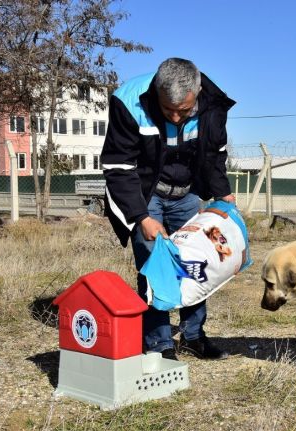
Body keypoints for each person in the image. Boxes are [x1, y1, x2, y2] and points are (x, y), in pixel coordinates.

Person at [100, 58, 236, 361]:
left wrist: (222, 192)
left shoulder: (213, 104)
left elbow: (215, 155)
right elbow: (118, 167)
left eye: (184, 110)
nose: (175, 117)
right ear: (156, 94)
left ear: (197, 94)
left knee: (196, 264)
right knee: (156, 267)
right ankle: (160, 343)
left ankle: (193, 335)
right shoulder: (128, 101)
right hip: (146, 196)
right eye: (167, 109)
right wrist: (141, 217)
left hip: (187, 194)